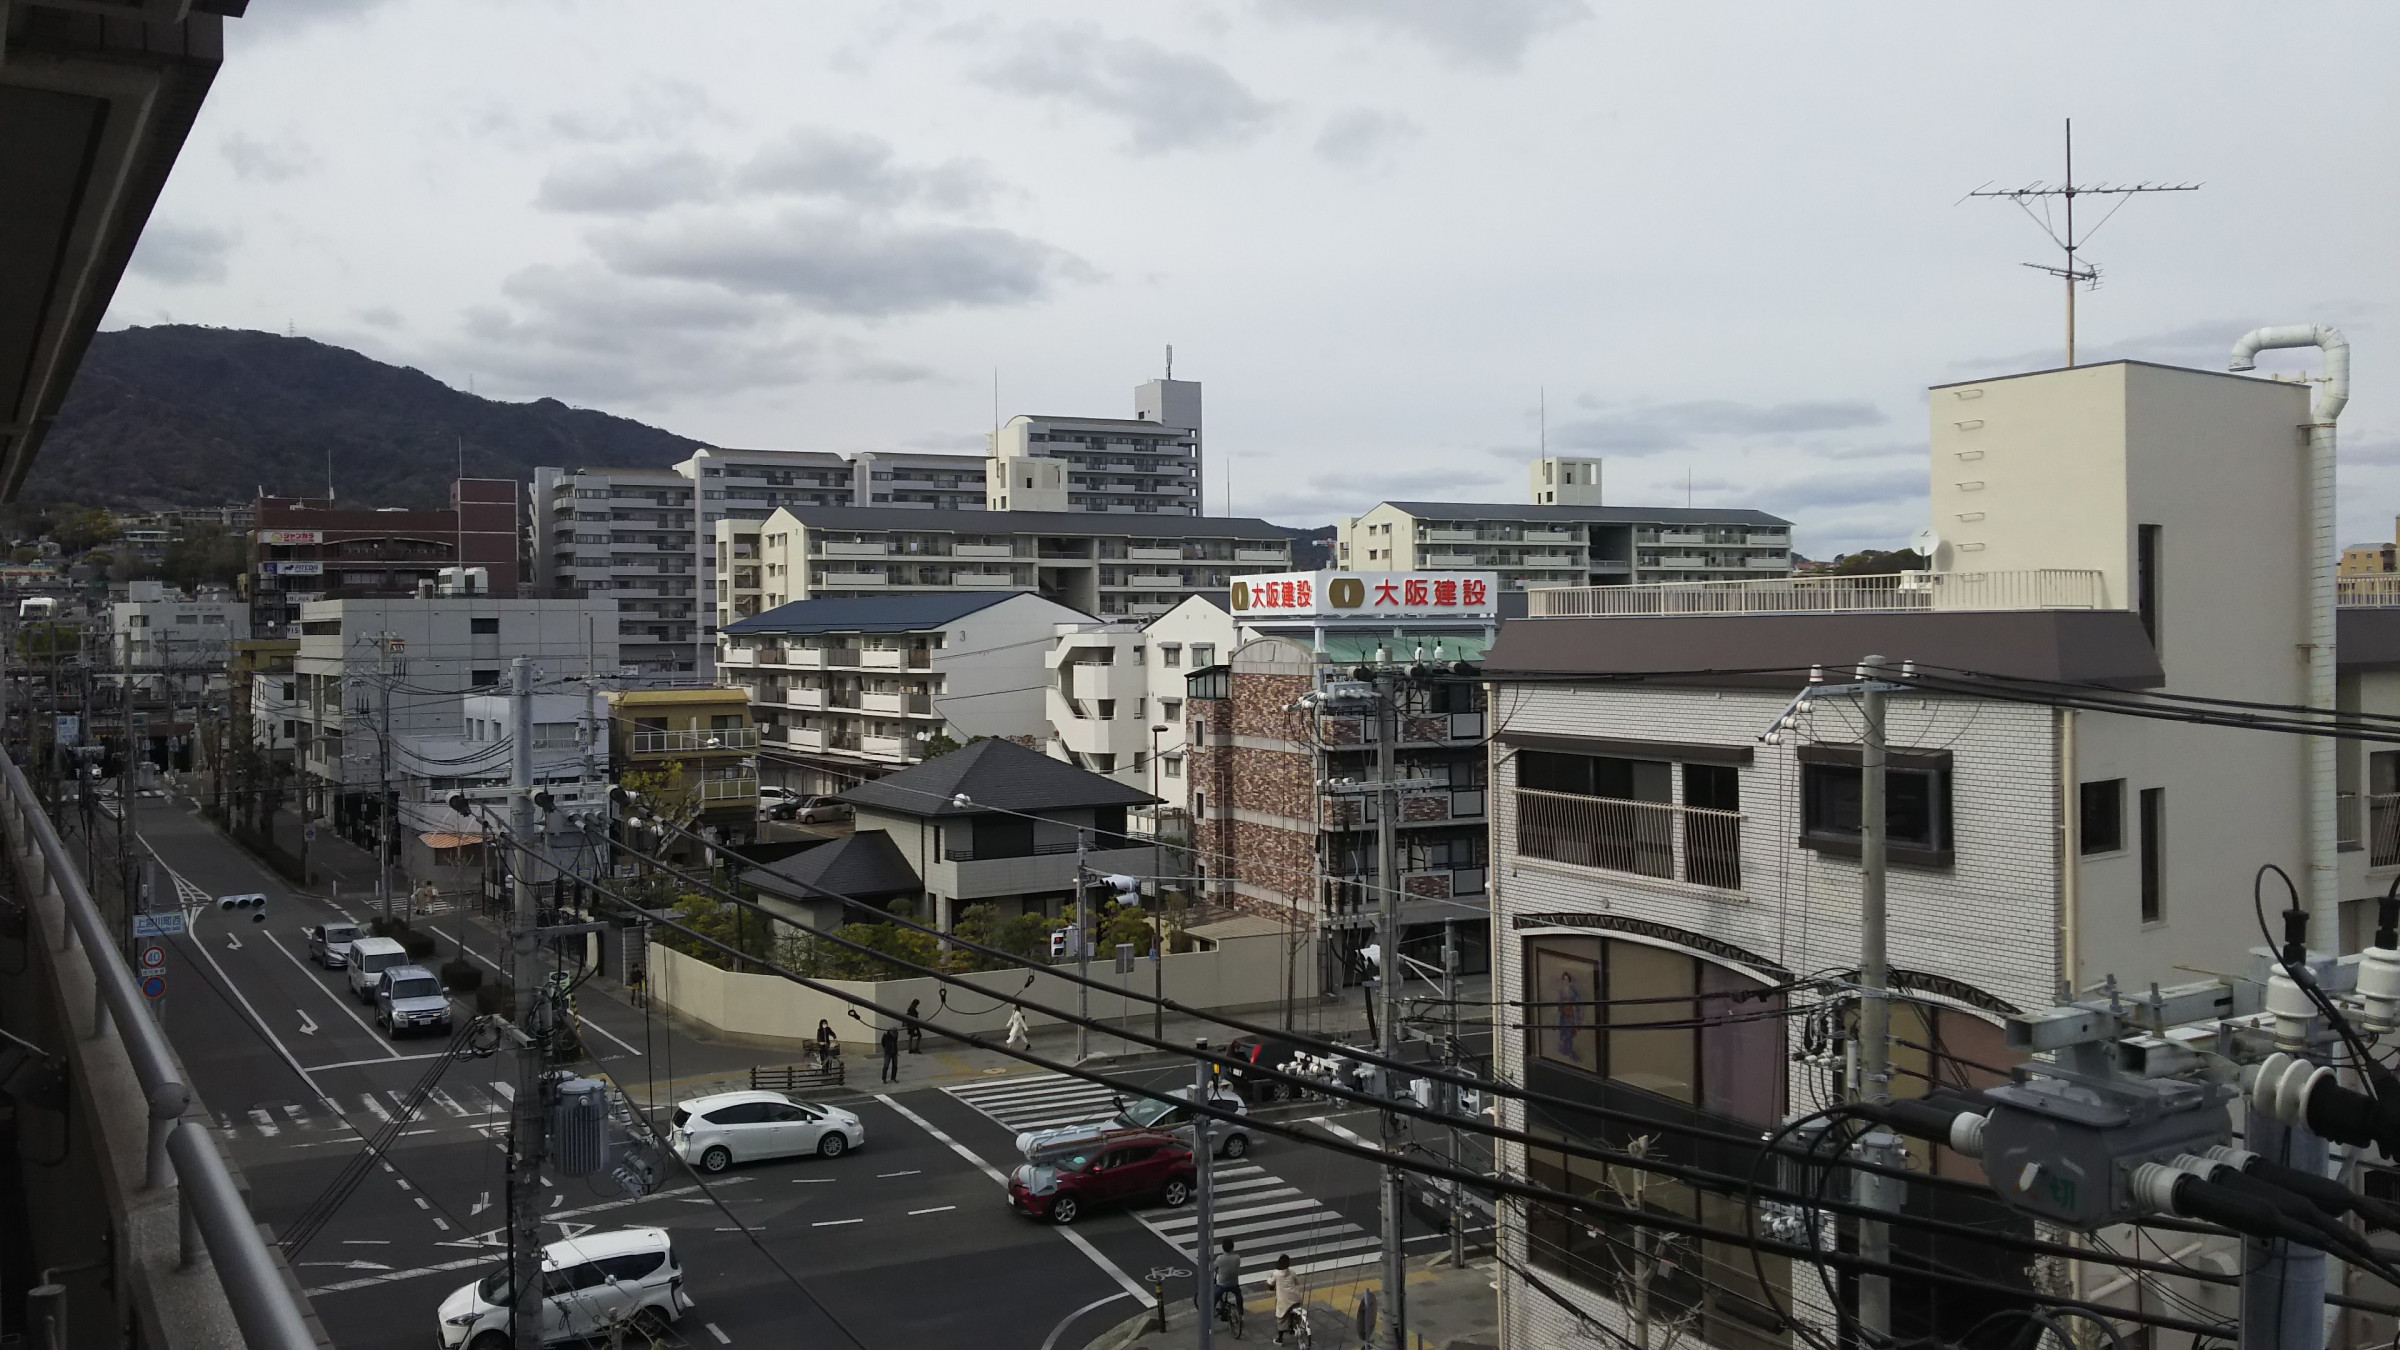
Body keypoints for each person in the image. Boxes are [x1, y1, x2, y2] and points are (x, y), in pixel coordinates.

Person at [1211, 1238, 1243, 1326]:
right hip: (1234, 1283)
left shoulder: (1219, 1258)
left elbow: (1213, 1268)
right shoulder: (1237, 1257)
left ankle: (1210, 1318)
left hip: (1222, 1285)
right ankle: (1240, 1314)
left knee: (1213, 1299)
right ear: (1232, 1247)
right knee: (1239, 1296)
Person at [1271, 1255, 1302, 1344]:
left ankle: (1280, 1339)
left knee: (1281, 1318)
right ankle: (1292, 1328)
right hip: (1296, 1298)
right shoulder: (1292, 1272)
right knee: (1294, 1312)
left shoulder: (1276, 1273)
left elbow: (1270, 1282)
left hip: (1284, 1300)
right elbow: (1297, 1282)